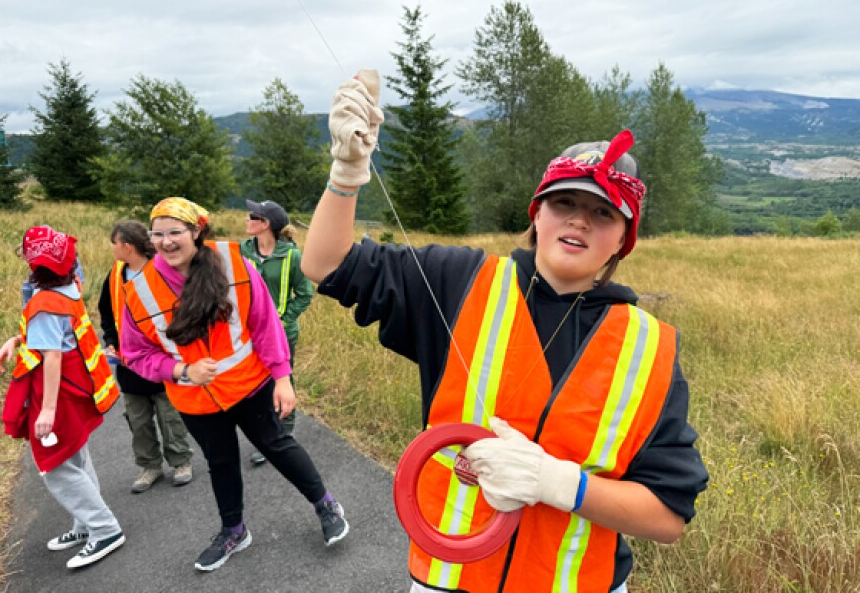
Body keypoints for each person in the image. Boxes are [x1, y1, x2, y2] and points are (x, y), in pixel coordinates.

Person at [300, 70, 708, 593]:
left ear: (623, 240)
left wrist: (557, 483)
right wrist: (346, 174)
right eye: (565, 203)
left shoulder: (650, 347)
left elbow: (667, 518)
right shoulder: (459, 280)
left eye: (602, 212)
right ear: (537, 213)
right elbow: (326, 263)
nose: (579, 221)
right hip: (449, 579)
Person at [119, 197, 348, 572]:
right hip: (195, 398)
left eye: (175, 232)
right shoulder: (139, 290)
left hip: (249, 385)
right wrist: (180, 371)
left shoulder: (232, 264)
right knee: (221, 463)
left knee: (278, 446)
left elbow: (265, 323)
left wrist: (282, 377)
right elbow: (136, 353)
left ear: (196, 231)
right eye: (157, 234)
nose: (166, 242)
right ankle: (234, 531)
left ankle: (325, 504)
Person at [0, 226, 126, 570]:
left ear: (35, 263)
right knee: (77, 458)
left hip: (58, 393)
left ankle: (104, 529)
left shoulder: (43, 303)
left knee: (54, 464)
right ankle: (85, 525)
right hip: (78, 385)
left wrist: (47, 411)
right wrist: (17, 340)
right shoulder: (69, 285)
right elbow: (54, 335)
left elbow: (52, 354)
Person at [98, 220, 193, 493]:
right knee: (138, 419)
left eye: (114, 243)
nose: (113, 249)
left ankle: (181, 461)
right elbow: (107, 311)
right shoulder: (116, 273)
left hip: (162, 359)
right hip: (129, 363)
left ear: (127, 246)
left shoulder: (162, 270)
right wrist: (112, 342)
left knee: (169, 415)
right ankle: (150, 466)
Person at [242, 199, 315, 465]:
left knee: (282, 381)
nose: (246, 219)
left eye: (253, 216)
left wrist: (282, 321)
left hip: (282, 334)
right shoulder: (242, 251)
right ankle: (265, 430)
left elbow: (305, 293)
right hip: (248, 334)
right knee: (257, 382)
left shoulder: (292, 256)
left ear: (266, 224)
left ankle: (283, 434)